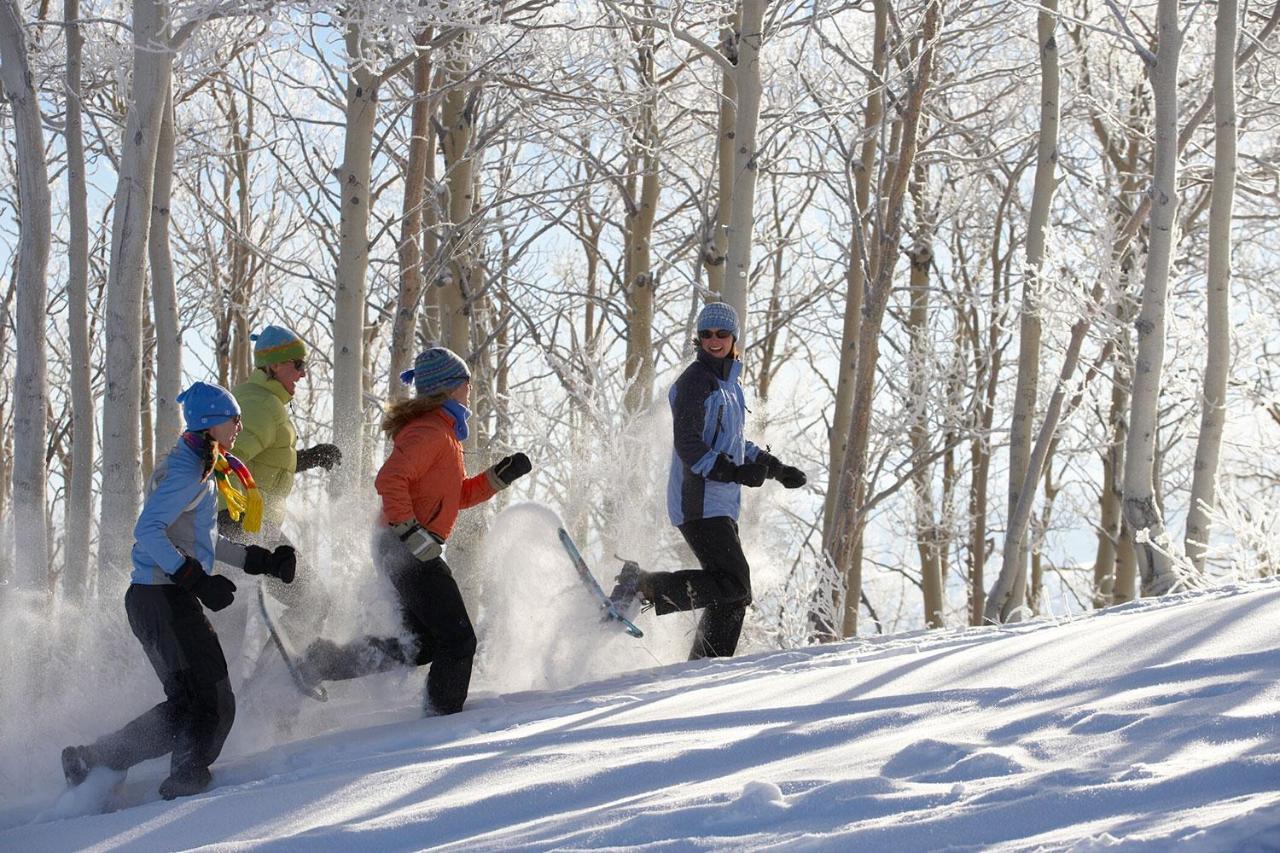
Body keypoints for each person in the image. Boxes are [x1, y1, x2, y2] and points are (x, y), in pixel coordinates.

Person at [60, 382, 296, 800]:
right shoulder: (187, 472)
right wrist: (196, 580)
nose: (239, 425)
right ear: (210, 424)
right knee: (213, 702)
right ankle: (185, 785)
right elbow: (147, 531)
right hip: (163, 599)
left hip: (156, 600)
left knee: (188, 704)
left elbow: (198, 541)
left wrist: (263, 561)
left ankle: (92, 759)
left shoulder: (196, 467)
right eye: (233, 419)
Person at [299, 347, 532, 715]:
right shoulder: (430, 431)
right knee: (458, 640)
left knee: (423, 644)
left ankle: (324, 661)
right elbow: (390, 479)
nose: (470, 388)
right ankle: (442, 720)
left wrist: (498, 478)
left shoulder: (443, 433)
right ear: (449, 387)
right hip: (405, 547)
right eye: (465, 381)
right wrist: (410, 531)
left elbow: (455, 496)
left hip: (403, 545)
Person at [613, 302, 807, 660]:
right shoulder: (695, 383)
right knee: (735, 583)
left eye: (721, 334)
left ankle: (708, 667)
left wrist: (777, 469)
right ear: (698, 339)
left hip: (721, 502)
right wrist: (735, 473)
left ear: (734, 337)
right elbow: (689, 446)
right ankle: (642, 586)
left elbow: (735, 444)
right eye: (706, 334)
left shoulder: (730, 385)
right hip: (698, 500)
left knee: (734, 593)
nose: (714, 341)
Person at [218, 325, 340, 648]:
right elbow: (225, 460)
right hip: (245, 525)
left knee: (230, 623)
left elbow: (260, 464)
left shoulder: (263, 402)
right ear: (274, 366)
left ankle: (257, 683)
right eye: (297, 364)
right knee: (312, 599)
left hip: (251, 524)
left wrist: (311, 457)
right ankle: (271, 680)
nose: (302, 374)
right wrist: (232, 518)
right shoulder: (259, 405)